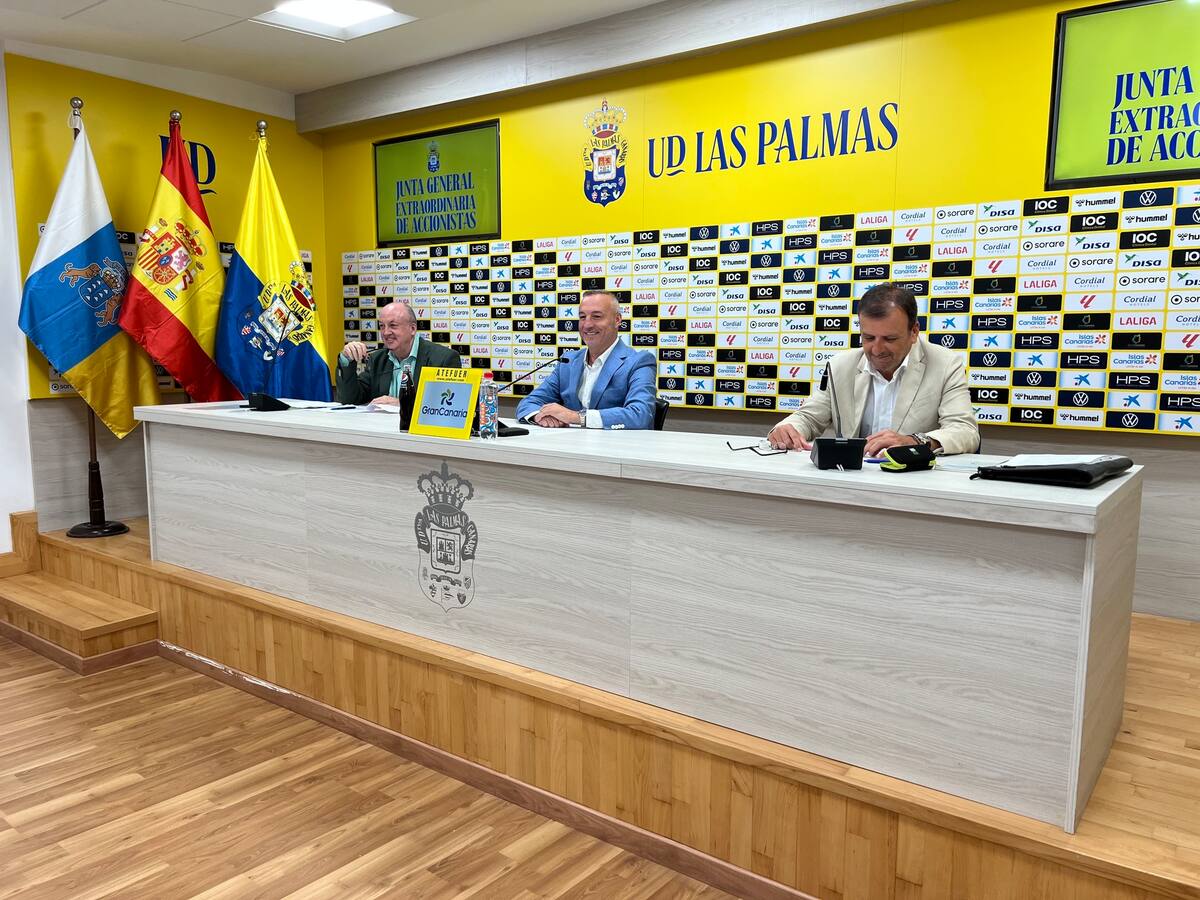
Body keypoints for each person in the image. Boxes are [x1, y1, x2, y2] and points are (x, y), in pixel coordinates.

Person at [768, 282, 979, 456]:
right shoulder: (841, 365)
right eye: (868, 338)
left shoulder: (945, 364)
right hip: (852, 479)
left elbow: (965, 431)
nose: (877, 350)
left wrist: (915, 441)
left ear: (914, 331)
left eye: (890, 339)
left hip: (916, 480)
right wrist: (788, 429)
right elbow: (809, 418)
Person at [516, 290, 656, 429]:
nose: (587, 325)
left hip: (616, 443)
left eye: (596, 317)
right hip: (568, 442)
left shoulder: (639, 361)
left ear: (617, 320)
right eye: (582, 317)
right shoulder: (568, 361)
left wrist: (577, 417)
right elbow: (529, 403)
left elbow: (640, 414)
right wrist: (540, 416)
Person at [336, 300, 461, 405]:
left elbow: (448, 404)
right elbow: (350, 399)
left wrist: (403, 404)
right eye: (382, 326)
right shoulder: (378, 359)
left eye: (393, 325)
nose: (385, 332)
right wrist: (347, 359)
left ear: (412, 329)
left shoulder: (443, 359)